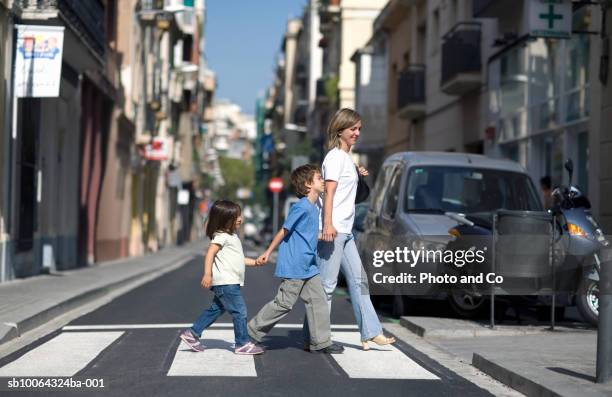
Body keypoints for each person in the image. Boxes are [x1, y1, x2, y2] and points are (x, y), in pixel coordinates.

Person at [318, 108, 396, 351]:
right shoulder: (333, 157)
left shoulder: (346, 160)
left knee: (359, 280)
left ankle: (370, 333)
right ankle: (317, 337)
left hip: (346, 230)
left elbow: (352, 195)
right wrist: (328, 224)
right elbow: (329, 193)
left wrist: (357, 174)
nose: (357, 133)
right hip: (334, 230)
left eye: (359, 129)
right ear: (340, 130)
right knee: (326, 287)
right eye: (353, 129)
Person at [247, 165, 344, 354]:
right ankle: (250, 333)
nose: (323, 181)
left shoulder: (314, 208)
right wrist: (268, 251)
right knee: (284, 303)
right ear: (308, 185)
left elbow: (306, 234)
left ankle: (321, 342)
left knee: (318, 300)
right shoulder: (301, 207)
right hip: (295, 263)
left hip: (309, 265)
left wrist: (322, 235)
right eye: (318, 178)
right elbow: (285, 230)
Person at [179, 200, 265, 355]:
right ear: (225, 219)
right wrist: (207, 274)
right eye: (236, 216)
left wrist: (255, 262)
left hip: (229, 283)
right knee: (240, 311)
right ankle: (242, 343)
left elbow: (239, 259)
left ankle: (192, 334)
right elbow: (210, 253)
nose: (240, 218)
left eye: (240, 215)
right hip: (226, 282)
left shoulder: (232, 236)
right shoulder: (222, 236)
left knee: (215, 310)